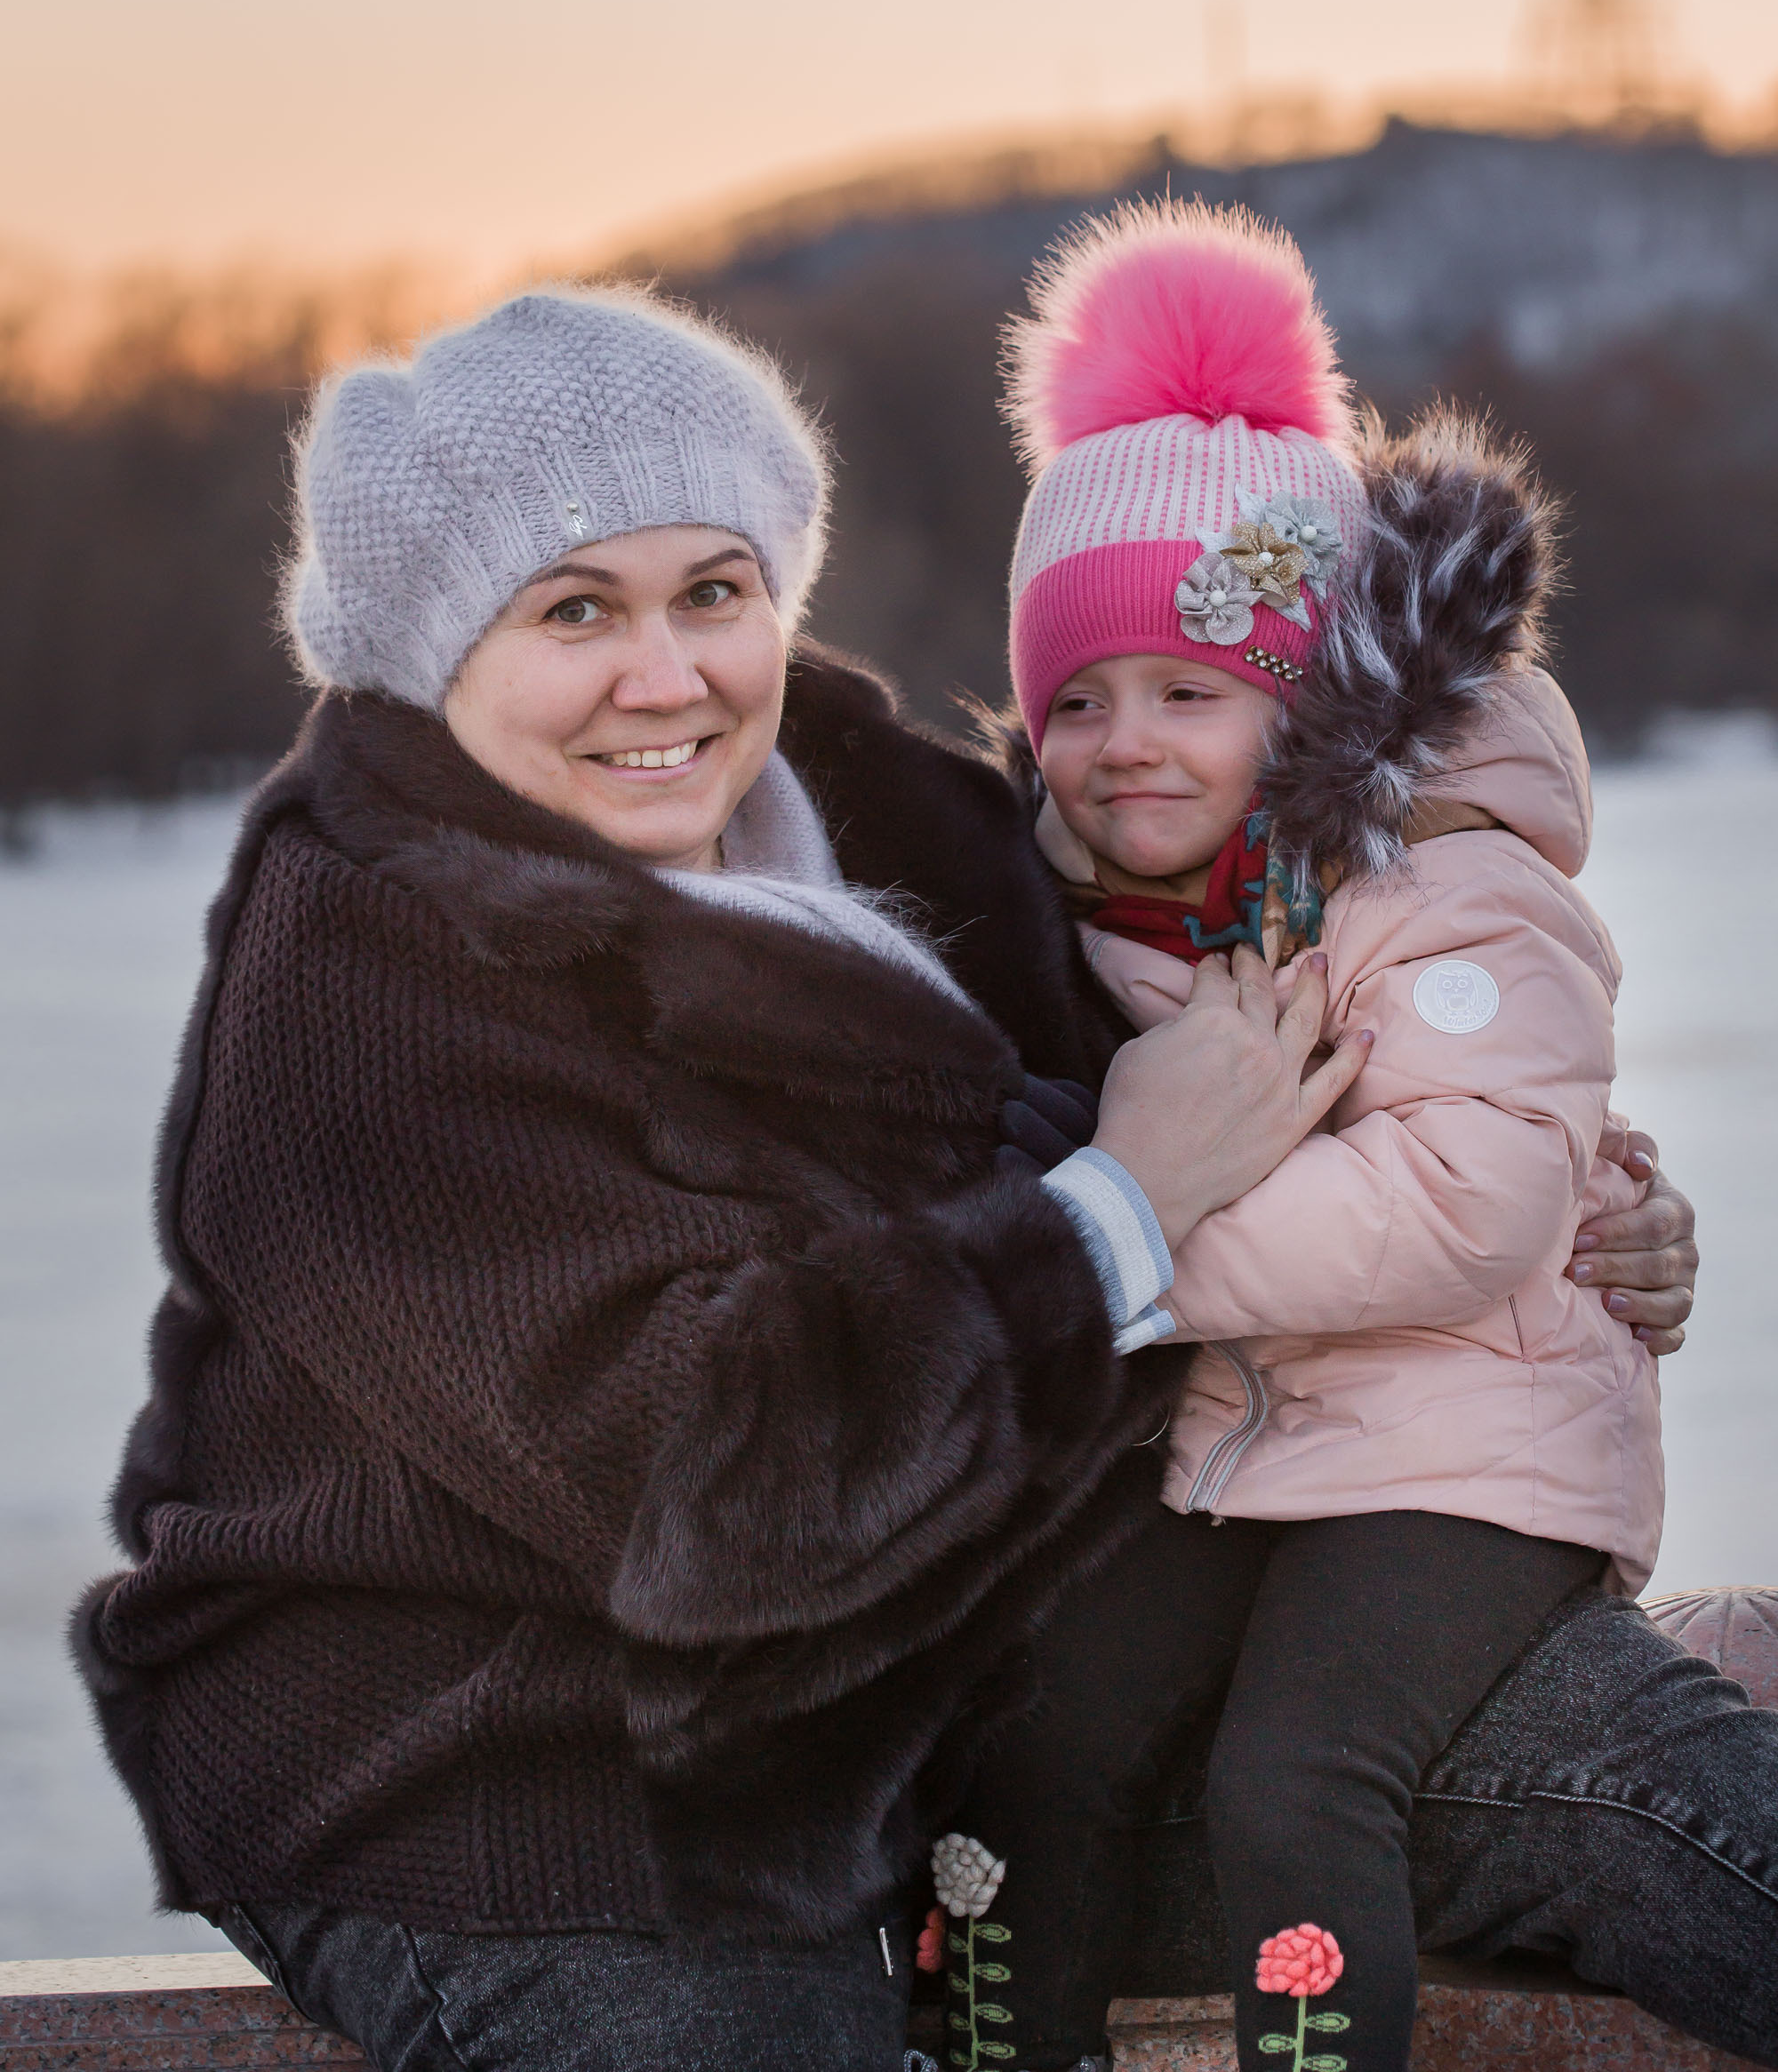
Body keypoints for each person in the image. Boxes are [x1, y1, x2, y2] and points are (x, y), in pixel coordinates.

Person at [74, 283, 1366, 2072]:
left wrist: (1541, 1207)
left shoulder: (884, 821)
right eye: (574, 610)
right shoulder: (370, 972)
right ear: (434, 651)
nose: (667, 676)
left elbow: (1218, 1044)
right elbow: (701, 1482)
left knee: (1578, 1775)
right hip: (523, 1779)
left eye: (714, 591)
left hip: (943, 1691)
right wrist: (1115, 1214)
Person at [936, 198, 1774, 2072]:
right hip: (1257, 1450)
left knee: (1299, 1778)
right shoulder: (1088, 908)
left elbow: (1473, 1197)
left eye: (1189, 692)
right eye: (1079, 699)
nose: (1126, 742)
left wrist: (1122, 1249)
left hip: (1474, 1461)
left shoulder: (1449, 883)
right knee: (1047, 1732)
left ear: (1307, 704)